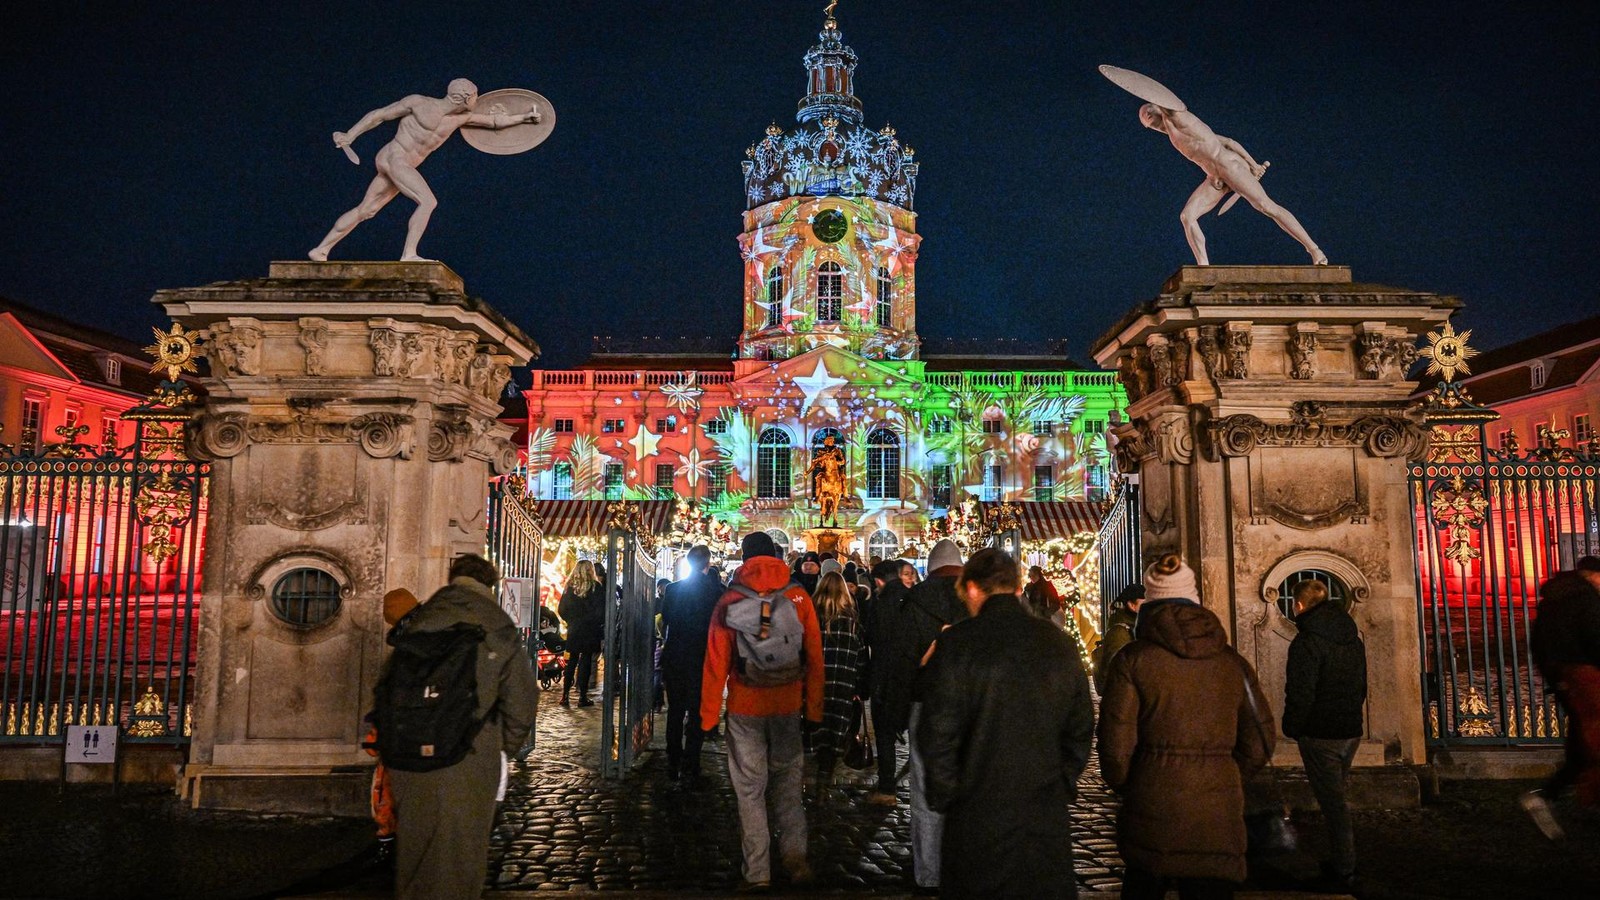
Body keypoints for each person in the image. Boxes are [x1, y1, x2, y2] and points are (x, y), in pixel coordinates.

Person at [919, 548, 1095, 898]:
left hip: (976, 814)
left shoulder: (956, 644)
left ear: (971, 589)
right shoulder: (1058, 644)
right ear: (1016, 589)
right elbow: (1080, 726)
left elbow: (937, 733)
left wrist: (948, 795)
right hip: (1042, 813)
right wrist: (1062, 780)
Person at [1098, 553, 1274, 900]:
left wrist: (1133, 784)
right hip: (1216, 814)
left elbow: (1115, 749)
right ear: (1195, 599)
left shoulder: (1133, 661)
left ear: (1150, 602)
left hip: (1152, 807)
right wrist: (1224, 773)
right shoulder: (1231, 663)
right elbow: (1261, 740)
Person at [385, 554, 539, 900]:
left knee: (415, 848)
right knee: (462, 853)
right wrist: (501, 748)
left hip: (408, 753)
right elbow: (522, 700)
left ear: (452, 577)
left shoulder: (420, 619)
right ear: (490, 585)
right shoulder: (497, 624)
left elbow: (386, 684)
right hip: (469, 752)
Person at [702, 532, 826, 892]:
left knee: (749, 790)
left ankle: (757, 871)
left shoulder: (730, 599)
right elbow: (815, 658)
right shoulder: (799, 596)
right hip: (788, 704)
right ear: (775, 555)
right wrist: (814, 709)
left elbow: (715, 663)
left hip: (745, 706)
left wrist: (708, 715)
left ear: (743, 559)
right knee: (788, 785)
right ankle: (796, 859)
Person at [309, 79, 542, 262]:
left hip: (402, 164)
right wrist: (351, 134)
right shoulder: (419, 102)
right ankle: (409, 254)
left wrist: (525, 117)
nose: (477, 100)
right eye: (476, 96)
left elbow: (494, 122)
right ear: (467, 97)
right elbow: (379, 115)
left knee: (366, 210)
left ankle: (321, 249)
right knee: (428, 202)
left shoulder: (460, 118)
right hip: (395, 156)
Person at [1134, 99, 1326, 266]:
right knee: (1187, 216)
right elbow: (1229, 141)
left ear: (1158, 111)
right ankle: (1203, 268)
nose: (1153, 126)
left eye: (1150, 119)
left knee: (1266, 206)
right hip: (1214, 177)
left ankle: (1314, 249)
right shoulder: (1173, 136)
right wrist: (1253, 163)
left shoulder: (1182, 119)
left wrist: (1252, 165)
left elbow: (1169, 103)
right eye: (1149, 126)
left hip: (1230, 168)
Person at [888, 538, 970, 893]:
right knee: (970, 784)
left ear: (930, 567)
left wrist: (896, 712)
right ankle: (966, 864)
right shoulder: (975, 597)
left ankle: (928, 872)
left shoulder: (915, 601)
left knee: (924, 791)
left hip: (926, 701)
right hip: (971, 705)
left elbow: (902, 659)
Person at [1280, 578, 1367, 890]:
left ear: (1300, 605)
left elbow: (1301, 692)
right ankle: (1342, 862)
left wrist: (1292, 726)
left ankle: (1344, 869)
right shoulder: (1351, 636)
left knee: (1334, 805)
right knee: (1336, 798)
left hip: (1321, 733)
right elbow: (1361, 686)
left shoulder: (1307, 642)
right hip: (1350, 730)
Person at [1524, 555, 1600, 839]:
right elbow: (1595, 638)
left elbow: (1537, 643)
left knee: (1583, 741)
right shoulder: (1586, 598)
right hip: (1587, 677)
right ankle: (1551, 795)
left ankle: (1551, 795)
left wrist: (1554, 679)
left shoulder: (1552, 600)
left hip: (1564, 678)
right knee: (1591, 740)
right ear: (1592, 575)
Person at [365, 588, 421, 863]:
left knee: (386, 792)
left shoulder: (405, 650)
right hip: (422, 733)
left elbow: (391, 693)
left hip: (401, 733)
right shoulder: (431, 635)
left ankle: (389, 843)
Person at [658, 545, 723, 785]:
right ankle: (692, 761)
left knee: (675, 710)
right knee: (697, 711)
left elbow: (666, 618)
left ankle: (673, 755)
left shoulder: (674, 590)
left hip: (675, 655)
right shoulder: (716, 591)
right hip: (702, 657)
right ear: (707, 563)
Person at [812, 571, 867, 791]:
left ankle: (813, 780)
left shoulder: (812, 618)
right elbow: (861, 657)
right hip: (842, 685)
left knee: (815, 729)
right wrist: (861, 686)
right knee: (835, 732)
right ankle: (824, 782)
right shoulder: (853, 622)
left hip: (816, 684)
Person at [862, 558, 909, 804]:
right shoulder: (913, 599)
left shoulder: (879, 604)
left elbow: (869, 636)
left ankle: (887, 787)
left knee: (885, 734)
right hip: (910, 673)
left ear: (878, 580)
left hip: (884, 674)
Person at [558, 559, 605, 707]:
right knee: (585, 661)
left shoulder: (570, 587)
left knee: (572, 660)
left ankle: (565, 695)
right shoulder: (595, 587)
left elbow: (562, 609)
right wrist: (595, 622)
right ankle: (582, 696)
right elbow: (601, 611)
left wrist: (571, 621)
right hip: (590, 629)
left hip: (575, 628)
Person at [1093, 583, 1145, 694]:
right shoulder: (1119, 632)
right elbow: (1117, 673)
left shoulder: (1139, 627)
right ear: (1132, 605)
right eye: (1145, 603)